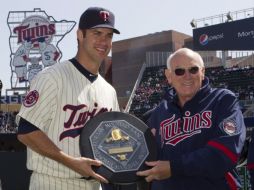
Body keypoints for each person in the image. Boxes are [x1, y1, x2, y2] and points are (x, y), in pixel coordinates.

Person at [16, 7, 120, 190]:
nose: (104, 41)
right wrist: (71, 162)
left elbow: (113, 139)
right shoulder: (52, 77)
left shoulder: (109, 91)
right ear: (80, 35)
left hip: (95, 185)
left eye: (109, 35)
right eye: (97, 33)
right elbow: (26, 132)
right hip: (53, 182)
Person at [137, 48, 246, 190]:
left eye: (193, 69)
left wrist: (174, 168)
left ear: (202, 72)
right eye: (179, 71)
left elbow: (226, 152)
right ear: (169, 76)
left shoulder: (222, 100)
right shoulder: (157, 114)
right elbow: (145, 160)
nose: (187, 76)